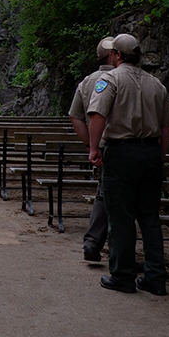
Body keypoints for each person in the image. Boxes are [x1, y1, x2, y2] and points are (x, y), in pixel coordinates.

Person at [87, 32, 169, 295]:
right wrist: (159, 153)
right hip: (150, 154)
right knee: (149, 217)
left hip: (121, 153)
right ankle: (156, 277)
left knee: (121, 216)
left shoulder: (110, 79)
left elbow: (97, 114)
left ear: (117, 55)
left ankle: (122, 276)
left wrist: (93, 148)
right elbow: (168, 125)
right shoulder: (156, 85)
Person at [68, 37, 117, 262]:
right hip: (122, 146)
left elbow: (75, 116)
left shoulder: (88, 82)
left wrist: (90, 144)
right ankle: (108, 246)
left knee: (104, 194)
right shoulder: (124, 79)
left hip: (102, 147)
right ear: (113, 55)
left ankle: (93, 242)